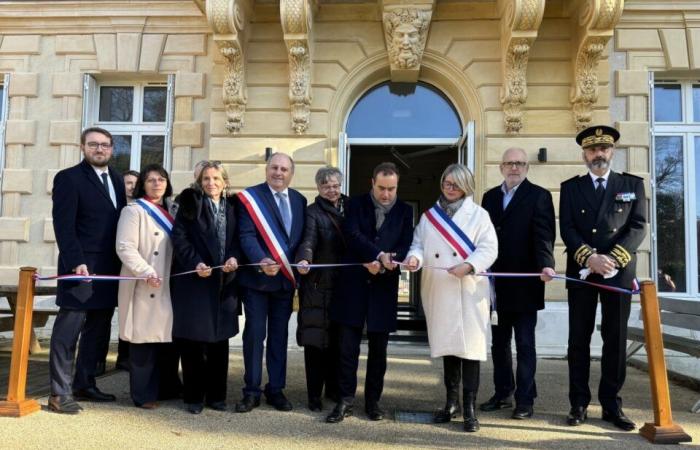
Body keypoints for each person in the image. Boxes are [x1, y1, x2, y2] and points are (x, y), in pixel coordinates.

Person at [559, 125, 647, 431]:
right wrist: (590, 258)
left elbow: (638, 226)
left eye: (604, 149)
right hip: (584, 272)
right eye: (593, 150)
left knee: (615, 340)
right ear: (584, 154)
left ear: (612, 152)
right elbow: (567, 228)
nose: (599, 154)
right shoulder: (571, 187)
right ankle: (578, 404)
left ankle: (612, 405)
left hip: (618, 273)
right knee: (578, 340)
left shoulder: (631, 184)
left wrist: (613, 259)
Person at [405, 163, 498, 432]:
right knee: (449, 349)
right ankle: (450, 403)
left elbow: (489, 248)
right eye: (447, 182)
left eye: (455, 183)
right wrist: (415, 258)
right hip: (441, 288)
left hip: (469, 288)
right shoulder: (429, 217)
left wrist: (469, 265)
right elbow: (418, 244)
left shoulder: (479, 215)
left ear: (465, 186)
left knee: (470, 350)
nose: (450, 187)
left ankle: (469, 409)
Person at [326, 162, 413, 424]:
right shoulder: (355, 204)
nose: (386, 194)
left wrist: (387, 262)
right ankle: (345, 401)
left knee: (379, 351)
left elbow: (405, 243)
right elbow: (351, 234)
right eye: (381, 188)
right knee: (346, 349)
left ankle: (373, 402)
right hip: (353, 286)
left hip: (384, 289)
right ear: (372, 183)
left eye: (391, 189)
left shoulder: (406, 210)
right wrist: (375, 255)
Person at [48, 126, 127, 414]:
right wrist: (75, 261)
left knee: (98, 332)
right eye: (93, 144)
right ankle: (59, 392)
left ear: (112, 149)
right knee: (68, 332)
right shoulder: (69, 178)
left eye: (105, 145)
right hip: (80, 268)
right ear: (82, 147)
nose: (99, 149)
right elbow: (64, 226)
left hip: (108, 270)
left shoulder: (117, 179)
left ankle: (85, 382)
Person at [480, 148, 556, 419]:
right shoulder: (489, 197)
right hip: (496, 286)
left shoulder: (539, 196)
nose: (515, 168)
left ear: (526, 168)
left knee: (524, 344)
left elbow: (544, 236)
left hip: (525, 284)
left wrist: (547, 264)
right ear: (501, 167)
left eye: (520, 163)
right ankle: (502, 393)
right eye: (510, 163)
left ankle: (525, 400)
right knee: (498, 344)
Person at [235, 152, 306, 413]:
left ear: (291, 173)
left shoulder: (299, 200)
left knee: (279, 337)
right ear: (267, 169)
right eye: (274, 167)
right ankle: (251, 391)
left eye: (284, 169)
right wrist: (261, 259)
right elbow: (246, 235)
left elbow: (299, 241)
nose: (279, 173)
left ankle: (275, 389)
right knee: (255, 336)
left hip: (285, 284)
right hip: (256, 282)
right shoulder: (250, 198)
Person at [170, 161, 241, 414]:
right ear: (200, 182)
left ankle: (217, 397)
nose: (211, 183)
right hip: (196, 282)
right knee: (194, 344)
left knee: (219, 343)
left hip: (225, 283)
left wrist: (234, 258)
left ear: (225, 182)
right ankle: (193, 398)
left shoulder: (234, 206)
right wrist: (196, 262)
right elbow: (179, 237)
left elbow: (238, 239)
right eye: (206, 179)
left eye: (215, 178)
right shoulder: (190, 202)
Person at [115, 164, 182, 409]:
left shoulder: (173, 210)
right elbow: (124, 247)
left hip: (169, 280)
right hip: (145, 280)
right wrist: (145, 271)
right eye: (151, 180)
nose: (157, 184)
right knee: (143, 341)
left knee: (165, 339)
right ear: (143, 184)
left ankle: (166, 387)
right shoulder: (133, 211)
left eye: (161, 179)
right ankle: (142, 394)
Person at [295, 167, 348, 411]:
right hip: (317, 285)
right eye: (326, 185)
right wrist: (305, 259)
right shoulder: (312, 212)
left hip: (343, 286)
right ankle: (314, 395)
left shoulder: (351, 208)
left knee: (338, 341)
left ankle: (335, 391)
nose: (332, 190)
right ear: (318, 188)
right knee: (315, 342)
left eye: (335, 185)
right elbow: (308, 240)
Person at [115, 169, 140, 372]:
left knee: (134, 311)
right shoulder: (117, 207)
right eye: (128, 183)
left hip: (139, 269)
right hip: (117, 266)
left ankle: (128, 356)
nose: (131, 187)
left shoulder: (143, 208)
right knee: (123, 312)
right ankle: (121, 357)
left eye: (135, 183)